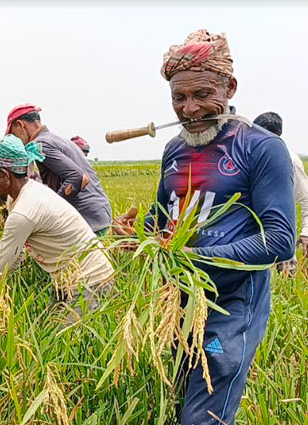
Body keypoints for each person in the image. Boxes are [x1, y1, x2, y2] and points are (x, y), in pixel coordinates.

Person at [114, 29, 295, 425]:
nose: (190, 109)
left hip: (232, 304)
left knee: (204, 414)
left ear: (228, 87)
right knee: (184, 393)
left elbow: (280, 240)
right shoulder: (175, 150)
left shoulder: (260, 147)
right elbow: (163, 220)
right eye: (179, 98)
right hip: (179, 301)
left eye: (202, 95)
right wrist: (136, 235)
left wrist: (198, 256)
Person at [0, 135, 114, 318]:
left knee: (67, 342)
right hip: (65, 280)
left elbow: (1, 267)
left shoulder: (24, 211)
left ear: (5, 174)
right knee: (49, 333)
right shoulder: (25, 194)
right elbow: (15, 255)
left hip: (89, 281)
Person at [5, 103, 112, 235]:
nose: (17, 140)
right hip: (99, 214)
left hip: (87, 219)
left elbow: (79, 178)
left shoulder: (41, 144)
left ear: (20, 125)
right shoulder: (56, 139)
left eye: (14, 134)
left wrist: (54, 208)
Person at [253, 112, 308, 274]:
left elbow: (306, 199)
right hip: (248, 237)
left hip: (280, 234)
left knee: (285, 278)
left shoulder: (290, 160)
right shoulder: (246, 156)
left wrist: (305, 233)